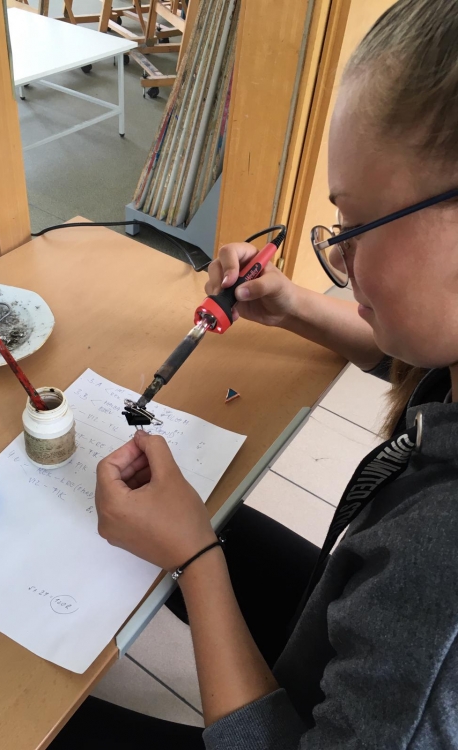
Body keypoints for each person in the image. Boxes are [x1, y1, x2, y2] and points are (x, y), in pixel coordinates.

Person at [50, 0, 458, 746]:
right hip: (349, 619)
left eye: (357, 226)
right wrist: (293, 306)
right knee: (218, 517)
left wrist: (195, 560)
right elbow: (409, 359)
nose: (339, 258)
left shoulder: (438, 571)